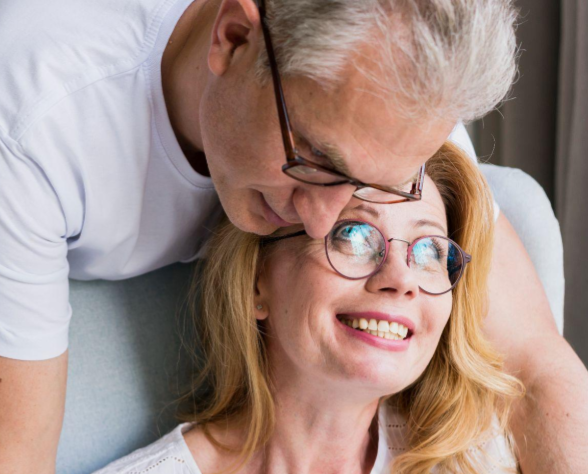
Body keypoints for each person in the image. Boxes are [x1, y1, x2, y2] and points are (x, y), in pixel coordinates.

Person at [0, 0, 588, 472]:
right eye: (317, 162)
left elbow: (531, 365)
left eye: (374, 193)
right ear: (231, 41)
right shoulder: (26, 107)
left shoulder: (386, 98)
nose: (327, 221)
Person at [95, 142, 521, 473]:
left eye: (430, 252)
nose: (401, 278)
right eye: (353, 235)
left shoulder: (482, 458)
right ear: (257, 281)